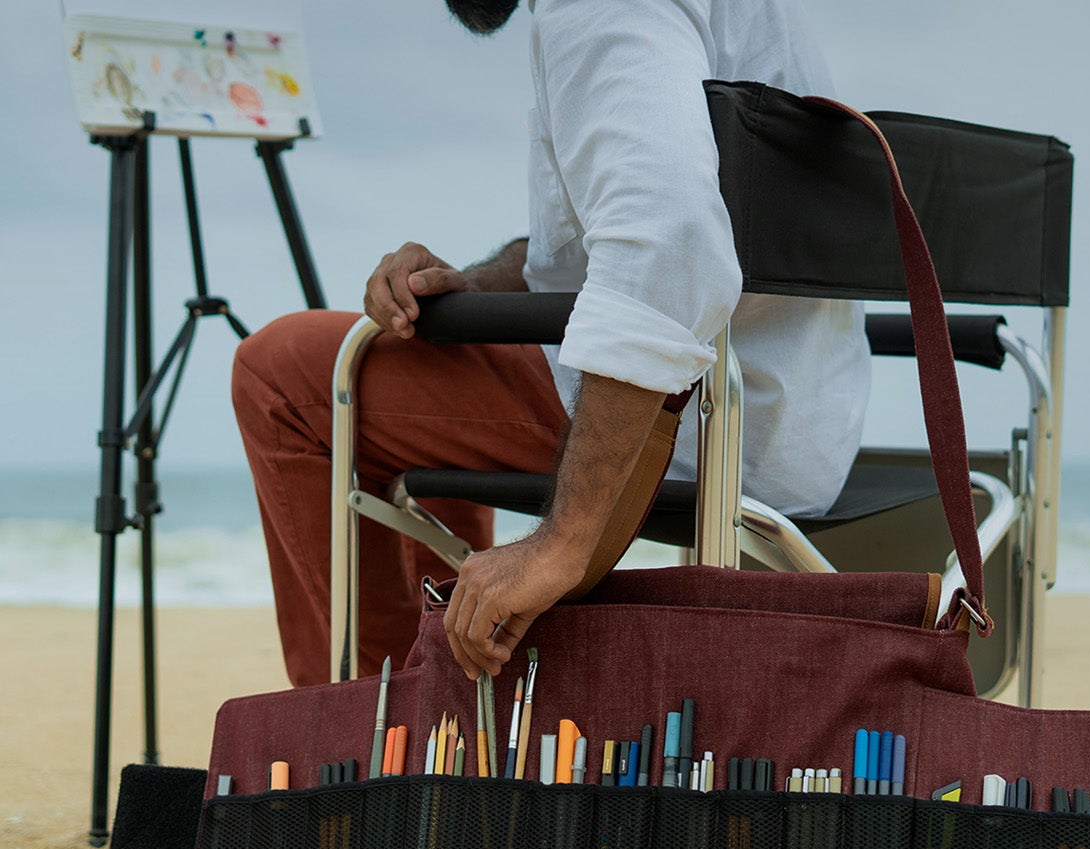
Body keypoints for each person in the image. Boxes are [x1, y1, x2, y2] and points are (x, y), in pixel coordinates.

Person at [232, 0, 868, 687]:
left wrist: (561, 545)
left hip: (706, 421)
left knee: (285, 372)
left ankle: (375, 736)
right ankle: (444, 694)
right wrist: (466, 289)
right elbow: (608, 246)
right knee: (420, 353)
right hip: (798, 423)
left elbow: (670, 244)